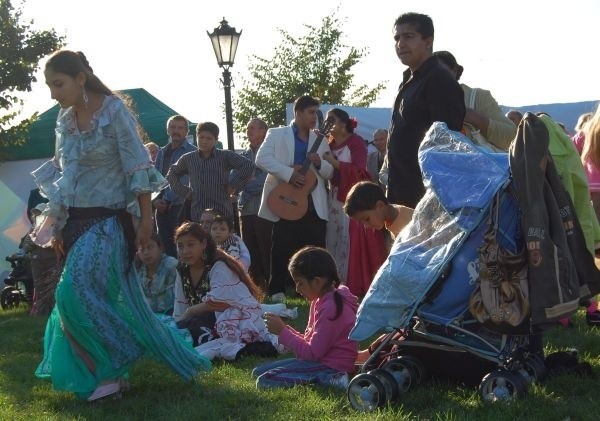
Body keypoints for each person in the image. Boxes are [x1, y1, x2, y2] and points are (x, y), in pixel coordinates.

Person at [31, 50, 210, 401]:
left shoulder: (113, 112)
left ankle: (117, 359)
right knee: (92, 298)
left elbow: (137, 167)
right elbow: (65, 176)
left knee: (73, 294)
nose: (53, 93)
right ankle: (109, 374)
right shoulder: (65, 120)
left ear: (80, 78)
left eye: (58, 83)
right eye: (49, 85)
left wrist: (144, 221)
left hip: (109, 221)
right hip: (74, 223)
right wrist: (55, 222)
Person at [255, 95, 334, 302]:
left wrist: (318, 164)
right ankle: (277, 289)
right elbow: (262, 159)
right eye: (310, 112)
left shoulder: (321, 138)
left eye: (317, 112)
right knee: (281, 244)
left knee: (316, 245)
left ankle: (319, 290)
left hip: (312, 202)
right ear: (297, 113)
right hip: (285, 198)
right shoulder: (276, 134)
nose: (314, 117)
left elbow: (329, 172)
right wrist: (289, 174)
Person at [387, 13, 465, 207]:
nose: (400, 44)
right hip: (402, 191)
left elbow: (445, 145)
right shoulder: (409, 80)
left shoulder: (439, 80)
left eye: (408, 36)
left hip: (426, 198)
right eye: (397, 38)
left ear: (428, 41)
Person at [252, 246, 358, 389]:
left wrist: (283, 332)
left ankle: (331, 380)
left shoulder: (331, 307)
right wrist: (284, 330)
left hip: (330, 366)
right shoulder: (320, 301)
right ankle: (324, 378)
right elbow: (311, 344)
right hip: (321, 362)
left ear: (317, 282)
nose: (297, 289)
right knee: (257, 372)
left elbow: (312, 354)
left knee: (265, 380)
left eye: (300, 283)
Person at [172, 222, 274, 360]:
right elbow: (180, 304)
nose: (185, 251)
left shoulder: (217, 265)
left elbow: (218, 302)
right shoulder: (182, 269)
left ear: (203, 244)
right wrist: (177, 324)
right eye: (180, 246)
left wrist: (190, 312)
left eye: (190, 245)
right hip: (199, 318)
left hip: (229, 317)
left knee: (198, 332)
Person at [322, 108, 387, 296]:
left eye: (331, 121)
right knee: (333, 238)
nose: (328, 125)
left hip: (352, 198)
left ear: (343, 124)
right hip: (333, 196)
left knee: (349, 240)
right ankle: (335, 282)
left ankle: (352, 283)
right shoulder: (328, 143)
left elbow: (361, 171)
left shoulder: (356, 142)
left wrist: (336, 164)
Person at [167, 122, 254, 221]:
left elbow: (248, 166)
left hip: (221, 213)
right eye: (201, 137)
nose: (204, 141)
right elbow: (171, 174)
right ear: (196, 138)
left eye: (209, 138)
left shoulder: (225, 156)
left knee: (221, 235)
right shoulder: (189, 158)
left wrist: (234, 186)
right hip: (197, 214)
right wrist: (185, 192)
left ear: (216, 140)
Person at [433, 50, 516, 151]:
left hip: (477, 165)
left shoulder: (478, 98)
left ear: (454, 71)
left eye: (438, 72)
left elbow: (512, 137)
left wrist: (476, 118)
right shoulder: (419, 104)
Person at [233, 118, 273, 291]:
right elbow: (234, 180)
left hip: (266, 207)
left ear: (264, 131)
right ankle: (256, 283)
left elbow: (267, 181)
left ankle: (271, 283)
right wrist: (249, 180)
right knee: (249, 247)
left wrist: (248, 181)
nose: (248, 131)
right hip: (246, 208)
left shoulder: (271, 153)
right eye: (247, 128)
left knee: (266, 246)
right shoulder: (242, 157)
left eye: (253, 128)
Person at [154, 115, 197, 257]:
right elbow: (156, 177)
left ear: (186, 132)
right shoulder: (162, 151)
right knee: (164, 247)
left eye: (180, 128)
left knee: (182, 247)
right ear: (167, 130)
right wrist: (156, 200)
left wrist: (166, 200)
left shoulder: (192, 152)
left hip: (181, 206)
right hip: (161, 207)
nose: (176, 131)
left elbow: (184, 180)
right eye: (173, 127)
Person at [344, 181, 414, 240]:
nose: (366, 226)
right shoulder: (393, 216)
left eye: (367, 219)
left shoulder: (407, 225)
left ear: (380, 205)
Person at [135, 233, 178, 314]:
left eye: (150, 247)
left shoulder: (172, 266)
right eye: (142, 249)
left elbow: (172, 301)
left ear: (160, 248)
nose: (146, 252)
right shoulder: (139, 270)